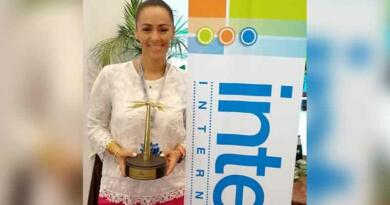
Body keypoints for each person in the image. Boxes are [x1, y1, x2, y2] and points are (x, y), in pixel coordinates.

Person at [88, 0, 186, 204]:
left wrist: (178, 152)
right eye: (147, 29)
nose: (155, 37)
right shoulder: (112, 76)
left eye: (163, 29)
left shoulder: (186, 82)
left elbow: (196, 135)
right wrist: (116, 151)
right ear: (136, 32)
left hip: (171, 189)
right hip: (121, 189)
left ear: (172, 32)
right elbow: (95, 126)